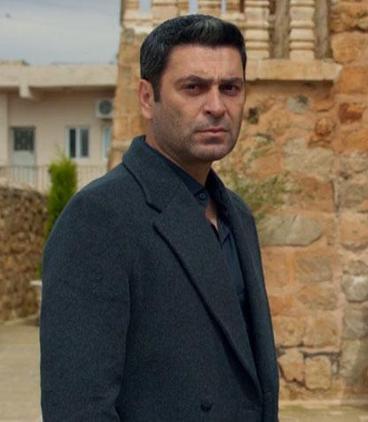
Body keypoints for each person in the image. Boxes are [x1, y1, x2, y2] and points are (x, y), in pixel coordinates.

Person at [40, 15, 278, 421]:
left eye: (230, 88)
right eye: (193, 87)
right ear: (147, 98)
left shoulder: (237, 215)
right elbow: (78, 408)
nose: (216, 106)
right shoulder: (98, 218)